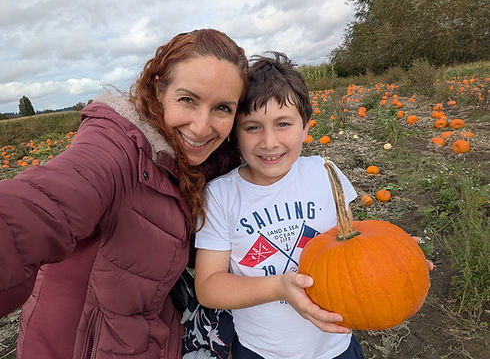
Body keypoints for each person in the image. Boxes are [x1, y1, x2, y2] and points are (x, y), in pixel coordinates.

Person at [0, 28, 248, 359]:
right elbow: (44, 203)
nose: (202, 126)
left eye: (222, 108)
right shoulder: (115, 148)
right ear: (160, 88)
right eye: (188, 99)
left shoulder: (197, 167)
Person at [194, 52, 366, 359]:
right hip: (261, 351)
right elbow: (208, 287)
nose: (269, 142)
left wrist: (389, 254)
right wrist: (280, 286)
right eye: (253, 127)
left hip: (335, 345)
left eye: (283, 123)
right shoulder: (221, 195)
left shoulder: (324, 173)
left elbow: (351, 242)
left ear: (306, 127)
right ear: (235, 135)